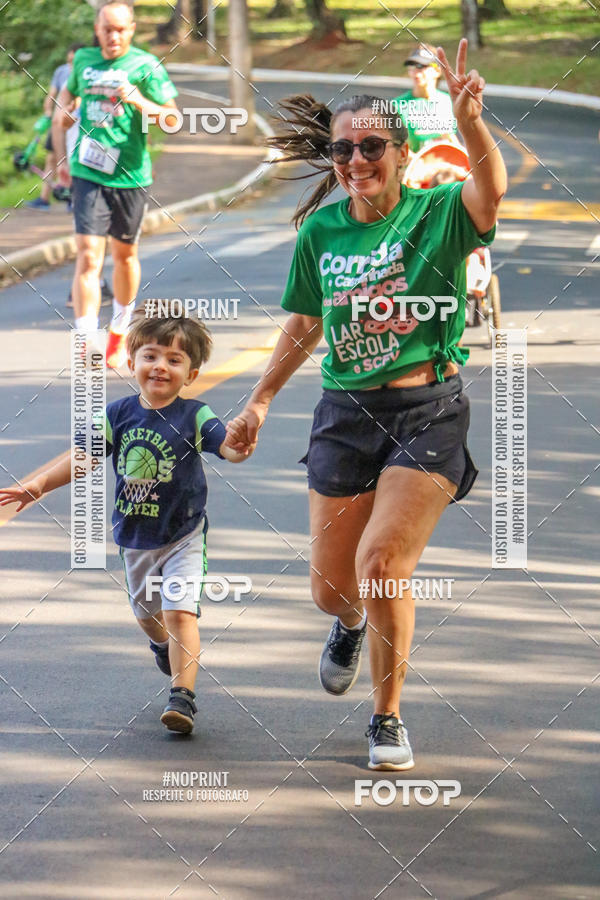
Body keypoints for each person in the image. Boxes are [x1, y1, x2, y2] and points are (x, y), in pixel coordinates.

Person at [227, 40, 506, 770]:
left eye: (372, 145)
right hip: (346, 413)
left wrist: (473, 123)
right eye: (344, 149)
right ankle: (347, 622)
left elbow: (491, 193)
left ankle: (387, 716)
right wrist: (258, 401)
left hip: (429, 408)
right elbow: (305, 322)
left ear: (403, 151)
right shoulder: (321, 231)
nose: (356, 160)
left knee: (384, 562)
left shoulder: (440, 213)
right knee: (332, 588)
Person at [0, 306, 254, 734]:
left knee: (180, 613)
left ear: (191, 374)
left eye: (175, 360)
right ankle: (160, 645)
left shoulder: (196, 415)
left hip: (183, 534)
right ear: (132, 361)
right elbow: (83, 457)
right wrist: (39, 484)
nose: (161, 366)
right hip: (136, 538)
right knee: (148, 615)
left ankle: (182, 698)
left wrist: (238, 448)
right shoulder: (116, 414)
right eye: (151, 355)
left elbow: (224, 445)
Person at [52, 0, 179, 368]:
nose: (114, 37)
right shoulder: (84, 61)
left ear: (133, 29)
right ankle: (86, 341)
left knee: (124, 256)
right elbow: (68, 94)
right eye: (108, 29)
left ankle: (120, 329)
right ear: (98, 29)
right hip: (87, 170)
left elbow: (172, 119)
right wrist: (64, 112)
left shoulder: (145, 65)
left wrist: (137, 100)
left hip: (130, 175)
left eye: (121, 30)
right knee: (89, 254)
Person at [26, 43, 85, 211]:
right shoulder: (61, 72)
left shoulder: (86, 76)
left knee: (76, 159)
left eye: (74, 60)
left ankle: (72, 198)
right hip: (59, 123)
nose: (71, 64)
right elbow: (52, 95)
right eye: (69, 60)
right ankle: (45, 198)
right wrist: (48, 113)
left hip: (78, 125)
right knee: (52, 159)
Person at [392, 43, 458, 154]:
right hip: (412, 169)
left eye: (421, 66)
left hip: (440, 168)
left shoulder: (445, 101)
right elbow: (392, 149)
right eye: (411, 66)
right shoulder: (397, 105)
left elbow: (450, 138)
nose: (415, 72)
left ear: (437, 71)